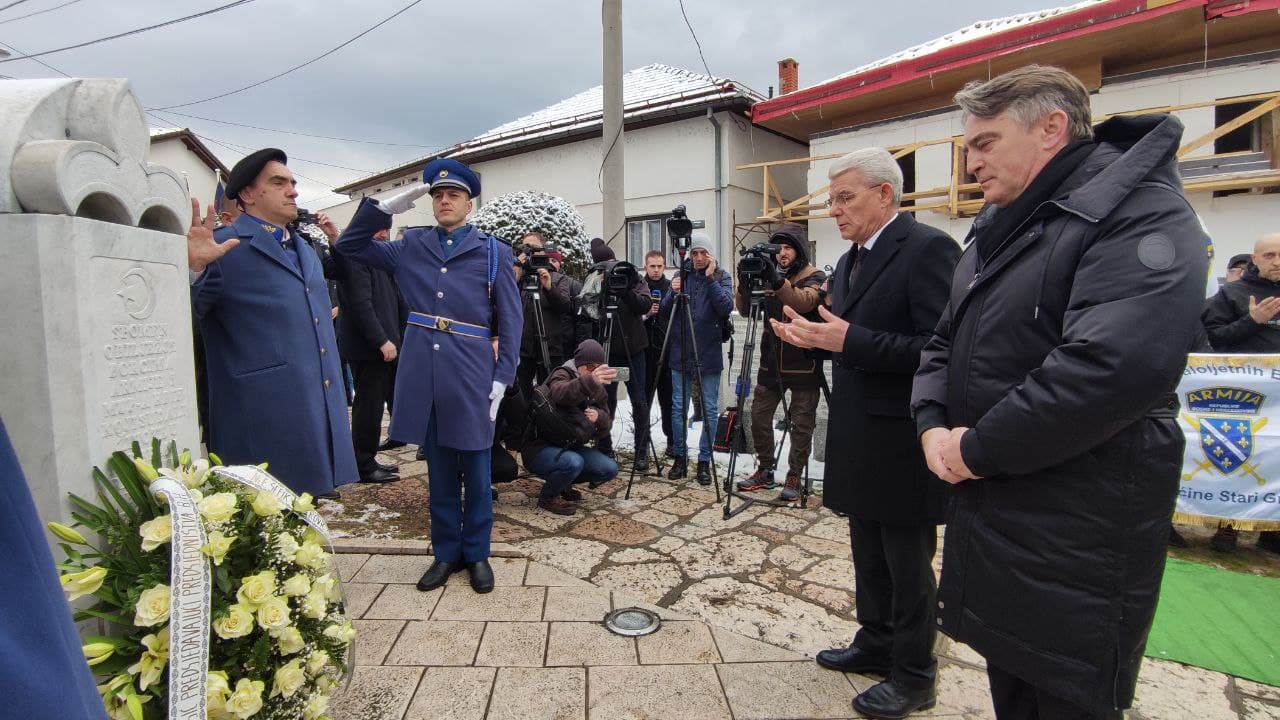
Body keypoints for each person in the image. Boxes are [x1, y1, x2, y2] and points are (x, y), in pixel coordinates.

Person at [909, 65, 1207, 719]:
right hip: (998, 520)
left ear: (1052, 128)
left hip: (1080, 536)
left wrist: (978, 448)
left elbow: (1111, 367)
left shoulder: (1141, 214)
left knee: (1062, 697)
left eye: (986, 141)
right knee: (1011, 688)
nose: (970, 159)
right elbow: (942, 340)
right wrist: (932, 421)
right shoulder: (997, 227)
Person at [774, 148, 958, 718]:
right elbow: (846, 333)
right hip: (859, 431)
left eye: (845, 197)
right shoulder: (851, 261)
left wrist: (847, 342)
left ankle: (916, 675)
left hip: (904, 436)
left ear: (885, 193)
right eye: (831, 199)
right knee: (867, 554)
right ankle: (875, 642)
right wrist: (818, 339)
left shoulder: (929, 249)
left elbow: (939, 348)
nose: (834, 210)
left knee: (907, 564)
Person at [336, 157, 521, 594]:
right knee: (438, 469)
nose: (443, 200)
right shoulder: (411, 245)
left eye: (453, 194)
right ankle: (444, 553)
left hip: (472, 370)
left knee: (476, 471)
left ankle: (476, 554)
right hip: (424, 369)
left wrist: (503, 375)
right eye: (437, 195)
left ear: (469, 204)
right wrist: (382, 208)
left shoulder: (493, 251)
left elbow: (512, 322)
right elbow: (348, 248)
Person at [186, 148, 357, 499]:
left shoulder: (304, 248)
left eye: (292, 183)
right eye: (278, 183)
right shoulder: (223, 245)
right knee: (264, 528)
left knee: (304, 524)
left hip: (315, 405)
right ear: (247, 194)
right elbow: (188, 317)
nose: (293, 190)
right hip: (260, 415)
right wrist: (194, 269)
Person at [734, 224, 827, 501]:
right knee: (759, 417)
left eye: (788, 248)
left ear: (799, 250)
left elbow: (804, 302)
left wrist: (776, 280)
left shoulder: (814, 275)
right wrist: (745, 280)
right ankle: (764, 469)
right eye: (779, 248)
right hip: (771, 361)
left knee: (801, 424)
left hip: (804, 363)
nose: (782, 253)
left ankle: (795, 474)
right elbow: (743, 309)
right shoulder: (769, 273)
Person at [1201, 232, 1280, 554]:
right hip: (1241, 399)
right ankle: (1228, 527)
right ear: (1255, 258)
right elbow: (1211, 340)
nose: (1277, 262)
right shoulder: (1232, 294)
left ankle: (1271, 530)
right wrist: (1253, 321)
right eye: (1270, 255)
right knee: (1238, 458)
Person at [335, 227, 408, 484]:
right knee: (368, 407)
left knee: (376, 407)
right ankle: (363, 465)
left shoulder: (381, 258)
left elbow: (397, 299)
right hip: (369, 348)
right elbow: (360, 303)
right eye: (377, 228)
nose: (383, 233)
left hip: (386, 345)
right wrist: (382, 340)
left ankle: (369, 458)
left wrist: (400, 336)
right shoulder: (357, 256)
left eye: (387, 228)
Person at [661, 232, 733, 485]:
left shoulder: (722, 276)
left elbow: (725, 307)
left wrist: (711, 278)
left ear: (711, 255)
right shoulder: (683, 275)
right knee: (679, 407)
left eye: (704, 253)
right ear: (689, 255)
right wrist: (672, 290)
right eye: (695, 253)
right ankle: (680, 457)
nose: (699, 258)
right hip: (681, 351)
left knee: (710, 409)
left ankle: (704, 460)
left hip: (709, 352)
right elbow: (667, 311)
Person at [524, 339, 621, 515]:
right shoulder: (562, 374)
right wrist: (590, 381)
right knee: (573, 462)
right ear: (580, 365)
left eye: (599, 368)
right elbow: (562, 394)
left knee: (609, 469)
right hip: (540, 448)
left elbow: (605, 425)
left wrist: (599, 418)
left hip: (571, 445)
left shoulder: (597, 386)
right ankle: (548, 496)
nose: (595, 372)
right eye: (591, 367)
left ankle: (563, 482)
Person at [581, 243, 653, 465]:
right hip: (607, 351)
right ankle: (604, 446)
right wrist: (600, 286)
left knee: (639, 401)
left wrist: (626, 291)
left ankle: (642, 451)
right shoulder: (595, 279)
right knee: (605, 400)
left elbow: (644, 305)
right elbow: (587, 309)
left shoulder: (631, 276)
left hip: (634, 351)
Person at [514, 231, 575, 400]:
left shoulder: (556, 278)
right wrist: (515, 274)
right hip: (523, 349)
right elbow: (503, 304)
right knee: (521, 397)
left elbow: (565, 307)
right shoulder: (518, 277)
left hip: (550, 348)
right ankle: (524, 426)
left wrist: (549, 287)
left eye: (534, 248)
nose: (530, 252)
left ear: (543, 250)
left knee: (549, 397)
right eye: (526, 248)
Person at [642, 249, 675, 456]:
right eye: (652, 266)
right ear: (645, 267)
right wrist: (646, 314)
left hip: (667, 353)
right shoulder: (639, 287)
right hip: (644, 354)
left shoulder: (671, 288)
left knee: (669, 401)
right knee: (643, 400)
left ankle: (672, 441)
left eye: (659, 266)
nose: (656, 270)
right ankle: (643, 443)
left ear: (664, 267)